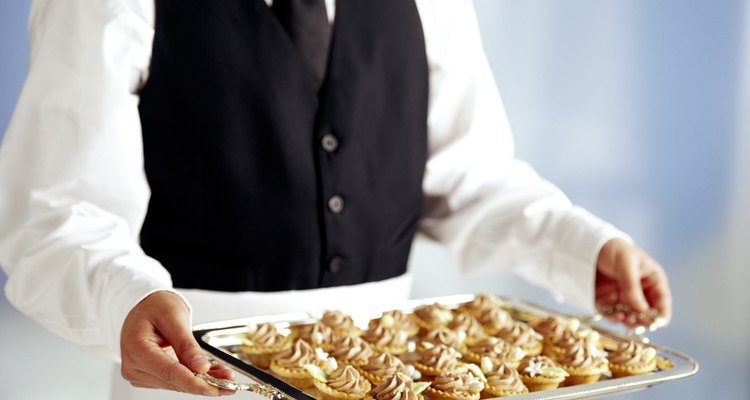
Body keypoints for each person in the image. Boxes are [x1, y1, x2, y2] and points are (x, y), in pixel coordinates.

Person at [0, 0, 671, 398]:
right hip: (200, 381)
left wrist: (582, 247)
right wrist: (121, 301)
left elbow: (467, 175)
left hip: (397, 376)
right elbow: (55, 212)